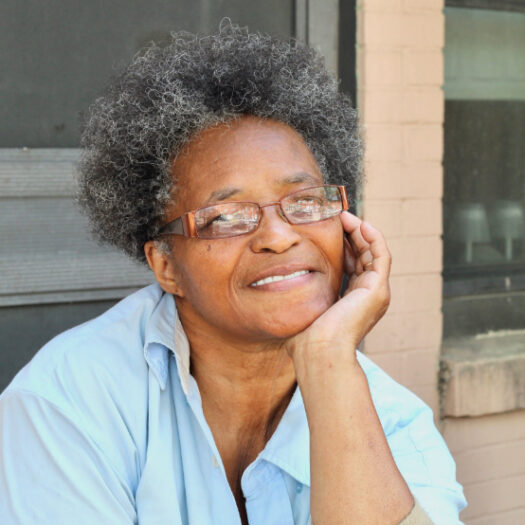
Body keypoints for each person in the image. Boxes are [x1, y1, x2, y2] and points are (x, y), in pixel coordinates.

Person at [0, 23, 466, 525]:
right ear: (165, 264)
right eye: (226, 217)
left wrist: (328, 358)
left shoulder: (390, 418)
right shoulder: (68, 403)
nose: (279, 236)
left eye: (306, 201)